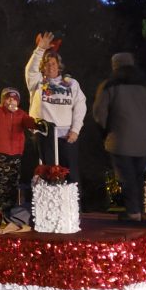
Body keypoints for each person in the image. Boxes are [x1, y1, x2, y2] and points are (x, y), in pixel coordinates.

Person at [92, 52, 146, 223]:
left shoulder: (109, 86)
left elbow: (99, 113)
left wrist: (106, 129)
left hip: (119, 139)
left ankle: (133, 213)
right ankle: (141, 210)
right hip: (143, 139)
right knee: (137, 175)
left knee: (127, 177)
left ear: (115, 66)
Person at [25, 32, 87, 183]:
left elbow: (80, 106)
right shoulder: (37, 83)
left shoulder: (71, 83)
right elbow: (30, 70)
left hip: (66, 136)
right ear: (43, 67)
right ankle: (48, 204)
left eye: (53, 63)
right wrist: (40, 49)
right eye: (47, 64)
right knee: (46, 174)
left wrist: (75, 129)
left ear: (59, 66)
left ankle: (72, 205)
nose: (50, 66)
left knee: (70, 175)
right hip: (44, 135)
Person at [0, 83, 36, 224]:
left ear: (18, 102)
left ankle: (12, 213)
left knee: (13, 185)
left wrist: (37, 124)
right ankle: (3, 213)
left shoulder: (21, 114)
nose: (11, 101)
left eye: (14, 99)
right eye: (8, 99)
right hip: (1, 155)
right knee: (3, 186)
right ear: (3, 101)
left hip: (16, 156)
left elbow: (28, 121)